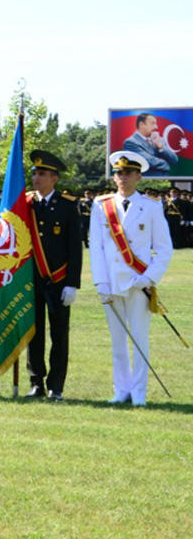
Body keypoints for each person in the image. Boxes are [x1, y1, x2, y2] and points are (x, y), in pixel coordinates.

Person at [90, 151, 173, 406]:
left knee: (138, 339)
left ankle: (139, 394)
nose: (122, 177)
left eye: (127, 173)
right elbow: (97, 247)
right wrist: (100, 281)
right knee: (117, 342)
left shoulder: (151, 207)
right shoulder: (100, 205)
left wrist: (148, 278)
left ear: (138, 176)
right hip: (112, 283)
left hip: (138, 284)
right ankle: (121, 391)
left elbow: (164, 248)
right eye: (118, 173)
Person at [25, 150, 83, 400]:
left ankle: (56, 386)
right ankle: (36, 382)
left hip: (58, 280)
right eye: (35, 173)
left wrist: (72, 284)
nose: (36, 178)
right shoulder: (25, 204)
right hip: (31, 279)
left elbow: (75, 248)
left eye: (42, 174)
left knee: (59, 335)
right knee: (33, 334)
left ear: (54, 178)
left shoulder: (68, 205)